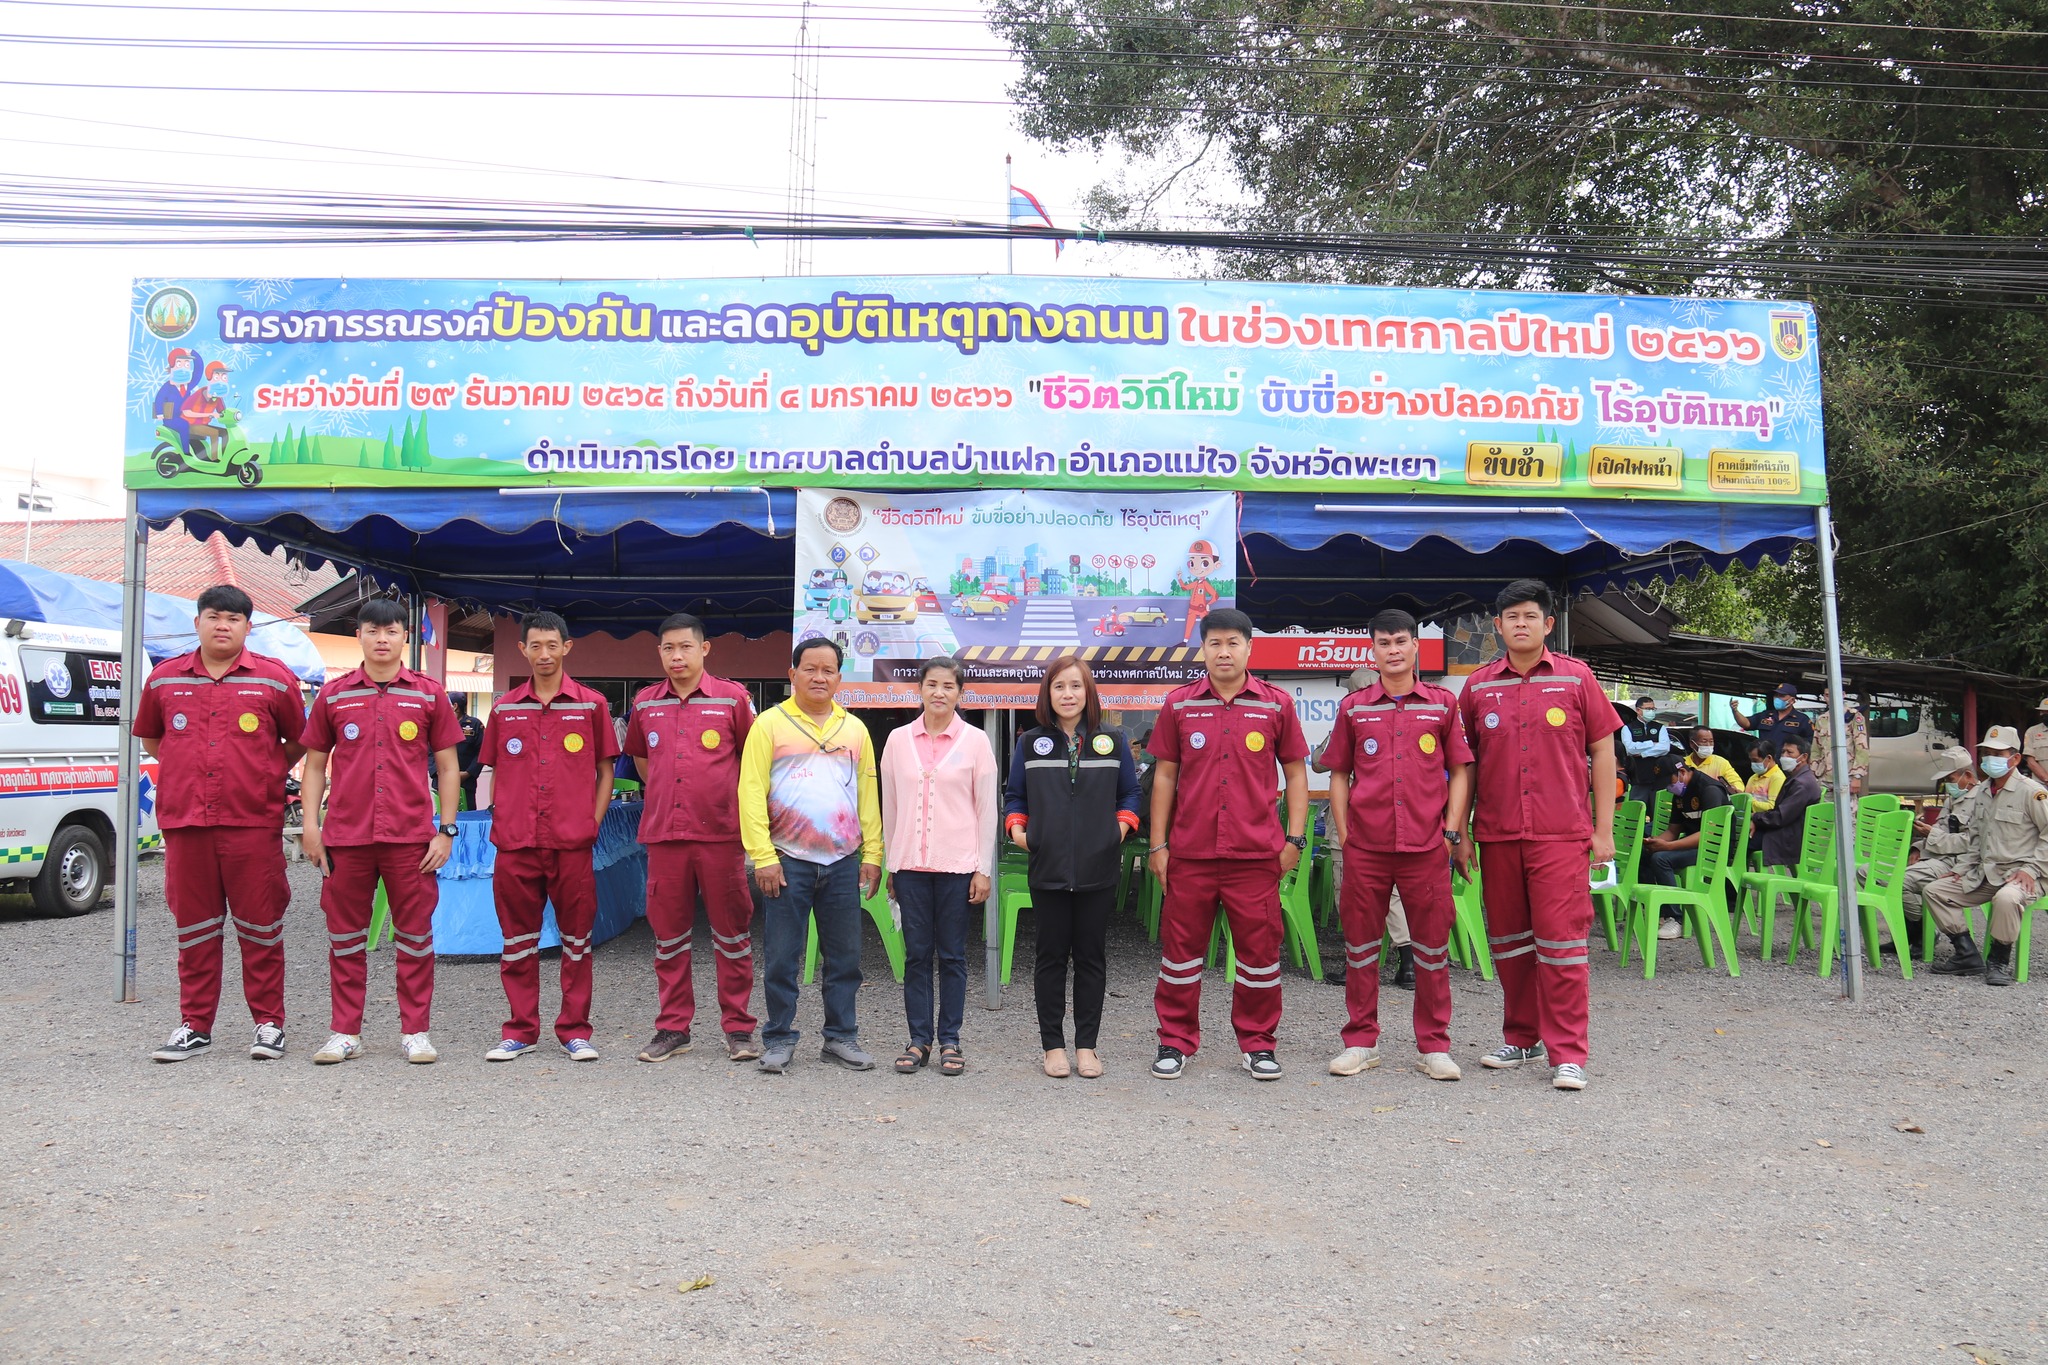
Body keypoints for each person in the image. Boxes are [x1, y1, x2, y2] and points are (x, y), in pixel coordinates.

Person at [135, 585, 306, 1062]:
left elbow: (299, 740)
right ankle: (194, 1025)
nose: (223, 625)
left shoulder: (274, 680)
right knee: (195, 930)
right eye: (214, 616)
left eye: (234, 618)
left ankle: (269, 1025)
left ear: (249, 626)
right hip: (186, 823)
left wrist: (265, 769)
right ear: (198, 623)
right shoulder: (165, 679)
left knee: (261, 927)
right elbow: (152, 738)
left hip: (251, 823)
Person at [1460, 579, 1618, 1092]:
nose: (1521, 624)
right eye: (1512, 617)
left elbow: (1603, 753)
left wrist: (1603, 831)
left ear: (1548, 624)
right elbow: (1466, 766)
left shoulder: (1577, 679)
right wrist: (1459, 831)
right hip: (1499, 834)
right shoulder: (1479, 686)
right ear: (1498, 626)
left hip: (1560, 835)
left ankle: (1567, 1053)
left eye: (1531, 616)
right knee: (1509, 944)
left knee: (1562, 946)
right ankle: (1521, 1036)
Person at [1146, 608, 1310, 1082]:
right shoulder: (1179, 704)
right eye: (1214, 643)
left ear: (1248, 648)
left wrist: (1294, 839)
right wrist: (1158, 844)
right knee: (1181, 954)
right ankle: (1175, 1042)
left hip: (1256, 854)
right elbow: (1165, 777)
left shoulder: (1275, 704)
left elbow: (1296, 773)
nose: (1224, 652)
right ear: (1202, 649)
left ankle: (1258, 1044)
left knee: (1259, 957)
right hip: (1191, 854)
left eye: (1233, 643)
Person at [298, 598, 463, 1065]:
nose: (383, 639)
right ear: (360, 636)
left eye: (392, 630)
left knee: (415, 936)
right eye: (373, 630)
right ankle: (345, 1032)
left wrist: (445, 830)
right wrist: (311, 826)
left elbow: (448, 768)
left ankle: (416, 1032)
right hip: (346, 838)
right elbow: (314, 766)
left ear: (405, 637)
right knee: (345, 937)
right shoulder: (334, 695)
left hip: (411, 837)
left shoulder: (429, 694)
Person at [1320, 609, 1473, 1082]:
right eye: (1383, 642)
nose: (1393, 649)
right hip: (1366, 845)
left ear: (1414, 648)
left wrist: (1452, 829)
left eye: (1400, 641)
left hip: (1426, 846)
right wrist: (1345, 832)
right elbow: (1340, 774)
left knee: (1431, 947)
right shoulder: (1355, 708)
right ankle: (1361, 1042)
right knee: (1361, 946)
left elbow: (1462, 769)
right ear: (1373, 650)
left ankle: (1434, 1046)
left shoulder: (1443, 704)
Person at [478, 611, 619, 1063]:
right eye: (535, 646)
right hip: (516, 843)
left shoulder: (590, 704)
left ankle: (575, 1030)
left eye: (552, 645)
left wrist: (592, 822)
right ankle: (520, 1030)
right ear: (522, 649)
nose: (544, 654)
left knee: (577, 941)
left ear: (566, 647)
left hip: (570, 843)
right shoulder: (504, 707)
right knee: (517, 941)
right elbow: (492, 769)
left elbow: (605, 771)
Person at [739, 638, 884, 1074]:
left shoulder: (854, 729)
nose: (819, 677)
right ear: (793, 674)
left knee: (845, 958)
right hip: (786, 860)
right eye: (810, 669)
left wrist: (873, 853)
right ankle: (779, 1038)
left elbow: (867, 795)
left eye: (828, 670)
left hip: (842, 862)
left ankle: (840, 1038)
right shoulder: (768, 724)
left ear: (840, 678)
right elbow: (750, 791)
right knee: (782, 958)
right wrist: (762, 856)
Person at [623, 612, 761, 1063]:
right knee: (668, 937)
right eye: (667, 648)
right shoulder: (645, 703)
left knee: (732, 933)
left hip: (721, 835)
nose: (676, 656)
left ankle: (738, 1029)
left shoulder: (733, 699)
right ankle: (672, 1027)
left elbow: (752, 761)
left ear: (704, 649)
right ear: (659, 652)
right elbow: (644, 763)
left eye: (685, 646)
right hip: (664, 835)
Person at [1005, 656, 1142, 1080]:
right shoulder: (1030, 743)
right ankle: (1053, 1047)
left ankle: (1087, 1046)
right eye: (1060, 687)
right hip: (1047, 869)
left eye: (1076, 687)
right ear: (1048, 693)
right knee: (1049, 959)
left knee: (1090, 958)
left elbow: (1131, 795)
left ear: (1089, 693)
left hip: (1097, 870)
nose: (1068, 694)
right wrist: (1020, 834)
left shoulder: (1112, 740)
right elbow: (1015, 798)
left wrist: (1116, 832)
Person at [880, 656, 998, 1078]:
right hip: (910, 866)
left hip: (957, 866)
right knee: (916, 956)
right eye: (931, 685)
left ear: (960, 694)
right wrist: (892, 864)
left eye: (948, 686)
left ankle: (950, 1039)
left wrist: (983, 868)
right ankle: (918, 1040)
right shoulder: (897, 740)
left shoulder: (976, 741)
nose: (939, 693)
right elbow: (889, 806)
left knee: (951, 956)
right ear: (920, 689)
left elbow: (987, 810)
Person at [1312, 666, 1417, 988]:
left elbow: (1320, 761)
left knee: (1352, 892)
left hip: (1352, 820)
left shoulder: (1352, 719)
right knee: (1394, 893)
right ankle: (1408, 964)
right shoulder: (1405, 721)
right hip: (1394, 819)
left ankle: (1359, 965)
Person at [1922, 727, 2048, 986]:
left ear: (2014, 759)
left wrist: (2032, 870)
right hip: (1987, 872)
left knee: (2007, 898)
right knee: (1935, 890)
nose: (1990, 758)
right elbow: (1976, 839)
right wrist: (1962, 868)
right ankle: (1966, 954)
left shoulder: (2031, 792)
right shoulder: (1981, 792)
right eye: (1987, 753)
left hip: (2023, 873)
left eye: (1997, 753)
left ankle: (1998, 961)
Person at [1896, 746, 1980, 953]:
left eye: (1950, 779)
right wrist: (1916, 849)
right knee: (1865, 873)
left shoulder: (1982, 800)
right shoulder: (1953, 799)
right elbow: (1941, 830)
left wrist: (1931, 835)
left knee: (1899, 881)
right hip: (1934, 857)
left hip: (1958, 864)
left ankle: (1921, 934)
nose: (1948, 784)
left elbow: (1972, 842)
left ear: (1967, 775)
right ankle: (1913, 933)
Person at [1643, 760, 1730, 939]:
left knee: (1661, 859)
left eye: (1669, 782)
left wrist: (1668, 847)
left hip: (1714, 849)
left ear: (1682, 772)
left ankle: (1676, 918)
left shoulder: (1709, 789)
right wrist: (1653, 841)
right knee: (1646, 854)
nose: (1669, 787)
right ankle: (1656, 909)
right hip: (1694, 845)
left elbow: (1709, 835)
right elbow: (1673, 831)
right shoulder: (1680, 794)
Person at [1750, 737, 1822, 870]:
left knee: (1739, 842)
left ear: (1803, 757)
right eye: (1783, 752)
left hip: (1787, 838)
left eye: (1790, 752)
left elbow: (1780, 816)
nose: (1784, 756)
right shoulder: (1797, 778)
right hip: (1785, 832)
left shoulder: (1802, 784)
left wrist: (1755, 817)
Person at [1811, 687, 1869, 798]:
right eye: (1827, 695)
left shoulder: (1854, 716)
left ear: (1843, 694)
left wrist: (1857, 776)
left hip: (1846, 775)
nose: (1831, 698)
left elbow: (1862, 748)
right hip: (1824, 776)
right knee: (1824, 812)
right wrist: (1813, 774)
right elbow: (1816, 750)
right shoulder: (1821, 719)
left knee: (1848, 812)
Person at [1620, 696, 1677, 808]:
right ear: (1638, 710)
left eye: (1652, 709)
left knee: (1658, 808)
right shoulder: (1628, 728)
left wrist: (1643, 753)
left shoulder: (1660, 727)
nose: (1650, 711)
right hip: (1638, 776)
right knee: (1636, 807)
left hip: (1658, 776)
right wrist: (1651, 743)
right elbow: (1629, 749)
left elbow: (1665, 748)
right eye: (1647, 709)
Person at [1733, 682, 1815, 755]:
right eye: (1776, 695)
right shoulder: (1766, 715)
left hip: (1787, 765)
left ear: (1792, 700)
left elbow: (1810, 744)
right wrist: (1735, 711)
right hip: (1765, 762)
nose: (1777, 698)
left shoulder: (1802, 720)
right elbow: (1746, 723)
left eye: (1782, 696)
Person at [1682, 726, 1743, 794]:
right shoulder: (1682, 763)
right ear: (1692, 744)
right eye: (1704, 741)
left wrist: (1736, 788)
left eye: (1711, 741)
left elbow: (1736, 781)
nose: (1708, 745)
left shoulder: (1721, 762)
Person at [1744, 739, 1784, 814]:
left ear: (1769, 758)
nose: (1752, 764)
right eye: (1751, 760)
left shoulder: (1777, 778)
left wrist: (1749, 802)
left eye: (1755, 760)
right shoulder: (1753, 778)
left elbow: (1772, 807)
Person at [2024, 697, 2048, 784]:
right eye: (2043, 712)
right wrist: (2046, 779)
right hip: (2040, 785)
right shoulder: (2032, 732)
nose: (2045, 715)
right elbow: (2030, 761)